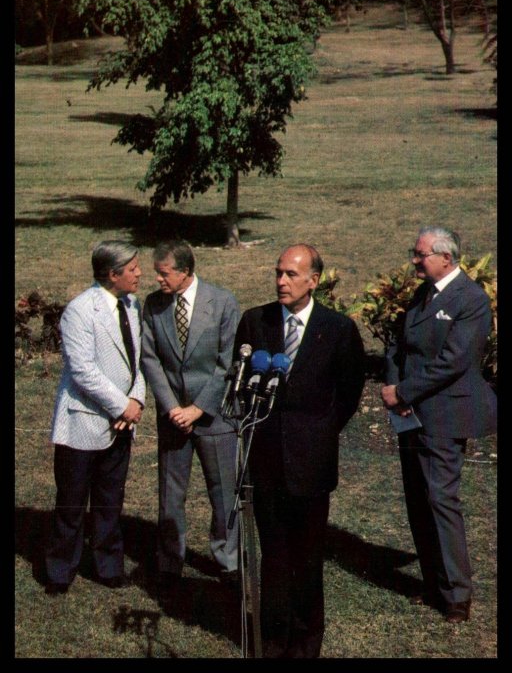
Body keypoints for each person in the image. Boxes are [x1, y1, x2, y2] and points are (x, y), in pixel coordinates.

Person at [234, 243, 365, 658]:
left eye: (291, 275)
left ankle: (306, 644)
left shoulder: (338, 329)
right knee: (273, 557)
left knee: (307, 560)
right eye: (278, 273)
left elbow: (348, 394)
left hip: (311, 464)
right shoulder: (255, 322)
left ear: (314, 280)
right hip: (266, 463)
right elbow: (241, 386)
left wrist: (319, 433)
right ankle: (272, 641)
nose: (281, 282)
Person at [381, 226, 497, 624]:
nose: (414, 260)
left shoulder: (471, 300)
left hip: (446, 414)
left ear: (446, 258)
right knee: (418, 498)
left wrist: (404, 392)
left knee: (440, 499)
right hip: (412, 412)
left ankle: (456, 597)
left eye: (421, 254)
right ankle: (433, 584)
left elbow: (455, 361)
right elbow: (398, 344)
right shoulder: (422, 294)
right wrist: (393, 383)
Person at [45, 240, 145, 595]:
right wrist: (122, 406)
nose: (139, 273)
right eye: (132, 269)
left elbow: (138, 361)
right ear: (112, 274)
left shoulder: (132, 305)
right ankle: (60, 571)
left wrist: (136, 399)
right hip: (82, 423)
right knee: (72, 503)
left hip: (120, 423)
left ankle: (108, 565)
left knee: (110, 499)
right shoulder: (79, 311)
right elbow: (83, 371)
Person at [141, 240, 240, 595]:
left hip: (213, 417)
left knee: (224, 493)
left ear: (185, 272)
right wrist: (172, 408)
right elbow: (150, 359)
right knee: (170, 493)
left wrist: (199, 408)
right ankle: (170, 562)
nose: (156, 279)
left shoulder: (223, 302)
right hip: (173, 417)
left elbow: (228, 363)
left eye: (163, 273)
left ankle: (228, 563)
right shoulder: (153, 306)